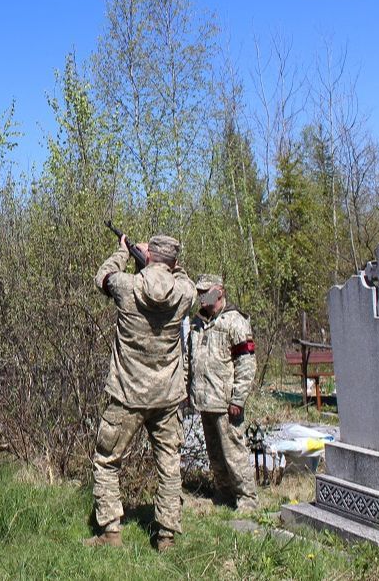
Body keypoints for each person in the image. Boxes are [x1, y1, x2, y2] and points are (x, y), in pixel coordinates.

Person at [85, 233, 197, 551]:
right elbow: (181, 279)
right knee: (169, 465)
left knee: (107, 460)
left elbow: (103, 276)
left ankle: (111, 532)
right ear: (174, 261)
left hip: (128, 394)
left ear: (149, 257)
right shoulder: (184, 292)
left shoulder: (127, 286)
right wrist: (163, 264)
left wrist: (124, 252)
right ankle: (166, 537)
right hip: (168, 396)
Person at [187, 274, 259, 513]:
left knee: (234, 452)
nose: (201, 297)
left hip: (226, 401)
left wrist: (238, 398)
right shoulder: (197, 323)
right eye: (199, 292)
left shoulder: (235, 321)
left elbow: (246, 363)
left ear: (219, 292)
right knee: (215, 453)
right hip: (204, 399)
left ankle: (247, 499)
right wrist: (187, 391)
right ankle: (224, 492)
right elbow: (189, 359)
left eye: (205, 292)